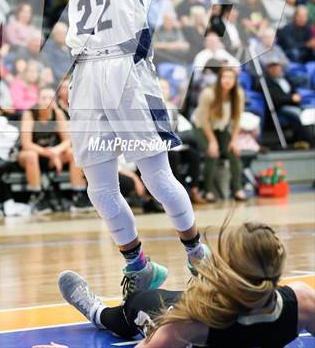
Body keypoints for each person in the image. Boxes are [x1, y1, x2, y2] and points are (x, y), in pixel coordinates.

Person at [35, 0, 208, 298]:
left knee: (156, 177)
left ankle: (196, 252)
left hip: (129, 70)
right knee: (99, 187)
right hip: (86, 75)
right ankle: (139, 264)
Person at [48, 219, 315, 348]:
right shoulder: (303, 300)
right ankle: (202, 282)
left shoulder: (192, 321)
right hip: (217, 309)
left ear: (229, 268)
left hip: (192, 325)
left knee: (138, 304)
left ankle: (99, 314)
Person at [19, 86, 92, 213]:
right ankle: (37, 197)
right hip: (31, 155)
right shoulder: (29, 114)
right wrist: (49, 153)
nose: (47, 101)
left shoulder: (57, 113)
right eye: (44, 98)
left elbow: (67, 141)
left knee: (74, 152)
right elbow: (26, 144)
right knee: (31, 155)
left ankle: (78, 195)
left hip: (53, 155)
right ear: (38, 100)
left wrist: (56, 151)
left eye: (50, 98)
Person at [191, 67, 247, 203]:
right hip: (201, 126)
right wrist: (212, 141)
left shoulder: (238, 94)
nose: (227, 80)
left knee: (233, 152)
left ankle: (238, 189)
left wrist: (234, 140)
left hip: (220, 127)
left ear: (235, 81)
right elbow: (204, 120)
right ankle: (208, 191)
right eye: (224, 77)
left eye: (231, 77)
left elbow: (238, 119)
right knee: (212, 153)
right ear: (219, 79)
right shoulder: (208, 93)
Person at [263, 57, 313, 146]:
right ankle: (311, 140)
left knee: (310, 111)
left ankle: (300, 138)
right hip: (280, 107)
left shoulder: (285, 79)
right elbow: (275, 99)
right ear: (268, 69)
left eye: (277, 67)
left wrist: (296, 98)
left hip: (294, 104)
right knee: (298, 114)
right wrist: (291, 98)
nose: (276, 70)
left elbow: (294, 92)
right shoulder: (266, 83)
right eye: (273, 68)